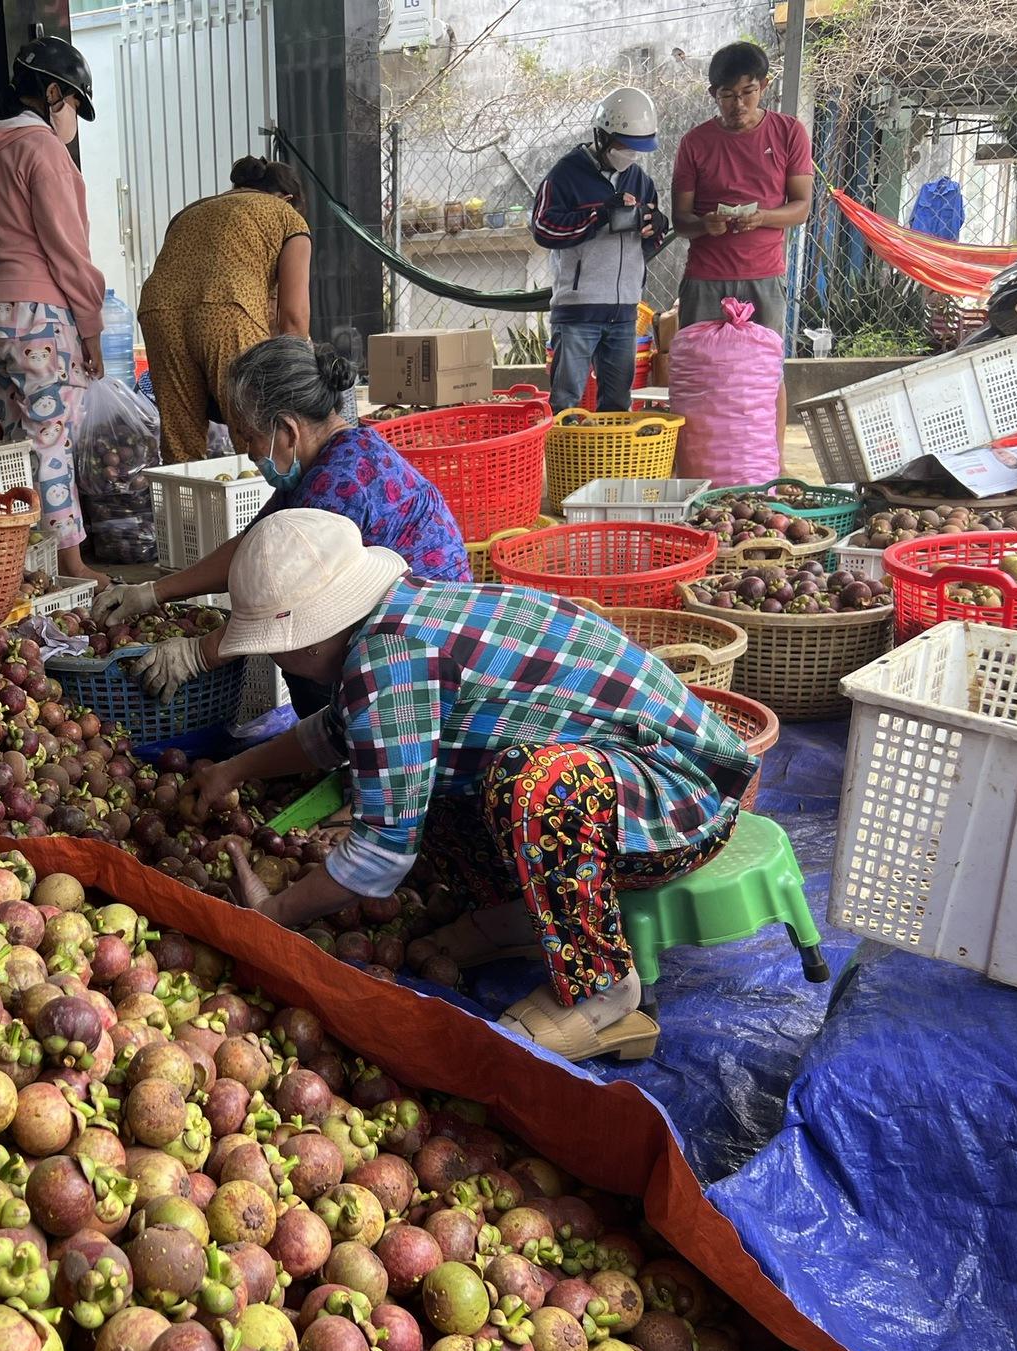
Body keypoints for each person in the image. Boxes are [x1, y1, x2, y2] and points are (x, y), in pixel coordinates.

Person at [191, 509, 755, 1062]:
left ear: (306, 641)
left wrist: (275, 912)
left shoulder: (391, 657)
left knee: (540, 787)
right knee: (419, 772)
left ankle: (603, 989)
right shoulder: (398, 618)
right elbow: (336, 734)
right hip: (628, 777)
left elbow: (380, 853)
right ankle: (516, 915)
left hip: (681, 798)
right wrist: (231, 772)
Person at [90, 336, 470, 710]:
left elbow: (286, 603)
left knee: (296, 645)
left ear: (287, 431)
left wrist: (200, 654)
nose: (251, 451)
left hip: (423, 652)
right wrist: (152, 592)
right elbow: (252, 546)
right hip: (410, 628)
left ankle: (333, 747)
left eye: (252, 436)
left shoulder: (340, 484)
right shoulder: (327, 460)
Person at [0, 35, 110, 583]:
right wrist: (90, 327)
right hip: (39, 313)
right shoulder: (41, 149)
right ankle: (71, 561)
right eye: (73, 107)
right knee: (51, 437)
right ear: (51, 93)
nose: (72, 123)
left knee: (15, 439)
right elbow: (66, 247)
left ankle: (23, 560)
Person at [671, 42, 813, 436]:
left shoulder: (788, 133)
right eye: (728, 96)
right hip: (705, 277)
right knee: (700, 374)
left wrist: (764, 217)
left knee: (767, 372)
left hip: (764, 275)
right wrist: (705, 224)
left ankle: (773, 460)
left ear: (764, 86)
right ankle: (699, 460)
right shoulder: (695, 143)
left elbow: (801, 207)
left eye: (747, 93)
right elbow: (680, 220)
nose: (738, 105)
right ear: (713, 95)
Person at [139, 157, 313, 462]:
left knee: (180, 440)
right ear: (287, 199)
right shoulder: (286, 216)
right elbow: (293, 317)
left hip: (158, 310)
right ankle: (268, 506)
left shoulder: (189, 212)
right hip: (227, 308)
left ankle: (187, 507)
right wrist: (296, 378)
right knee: (257, 426)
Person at [532, 87, 666, 413]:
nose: (631, 155)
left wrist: (656, 226)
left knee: (619, 402)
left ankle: (609, 464)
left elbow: (646, 246)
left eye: (637, 149)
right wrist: (600, 214)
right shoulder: (565, 175)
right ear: (603, 135)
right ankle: (566, 463)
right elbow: (543, 228)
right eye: (624, 146)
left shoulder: (639, 179)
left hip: (624, 313)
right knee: (567, 401)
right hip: (579, 309)